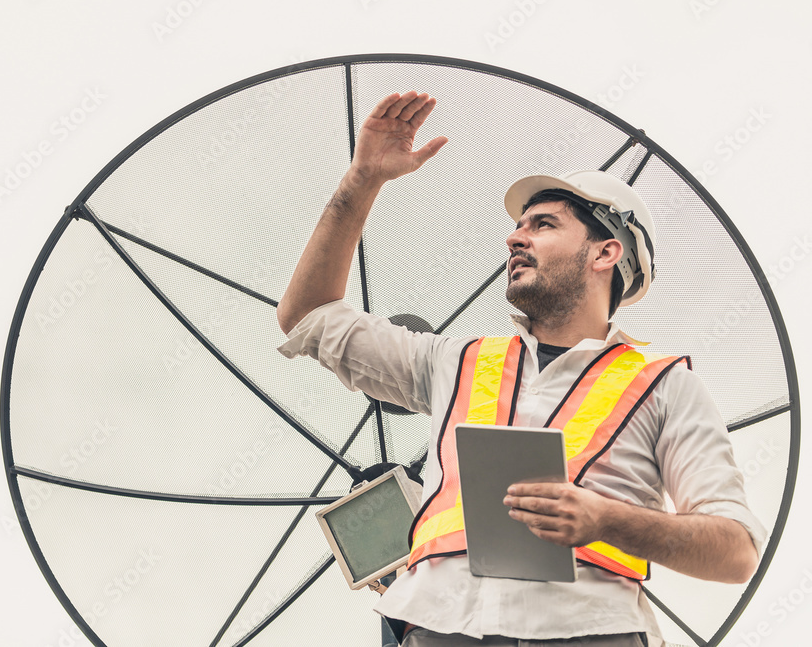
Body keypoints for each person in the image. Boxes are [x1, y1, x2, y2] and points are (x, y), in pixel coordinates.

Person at [275, 91, 764, 647]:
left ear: (604, 254)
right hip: (439, 627)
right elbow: (308, 316)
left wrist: (606, 519)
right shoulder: (454, 359)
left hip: (590, 631)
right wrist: (364, 179)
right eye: (519, 226)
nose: (514, 236)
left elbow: (735, 550)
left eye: (544, 225)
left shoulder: (667, 384)